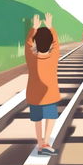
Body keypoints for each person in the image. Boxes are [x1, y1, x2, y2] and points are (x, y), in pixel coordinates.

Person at [25, 13, 60, 156]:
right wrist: (51, 27)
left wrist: (33, 29)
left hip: (34, 96)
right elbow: (57, 43)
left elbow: (27, 45)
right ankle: (46, 142)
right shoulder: (53, 57)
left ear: (35, 43)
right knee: (50, 118)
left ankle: (40, 144)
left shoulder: (31, 58)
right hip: (50, 96)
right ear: (51, 43)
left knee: (37, 120)